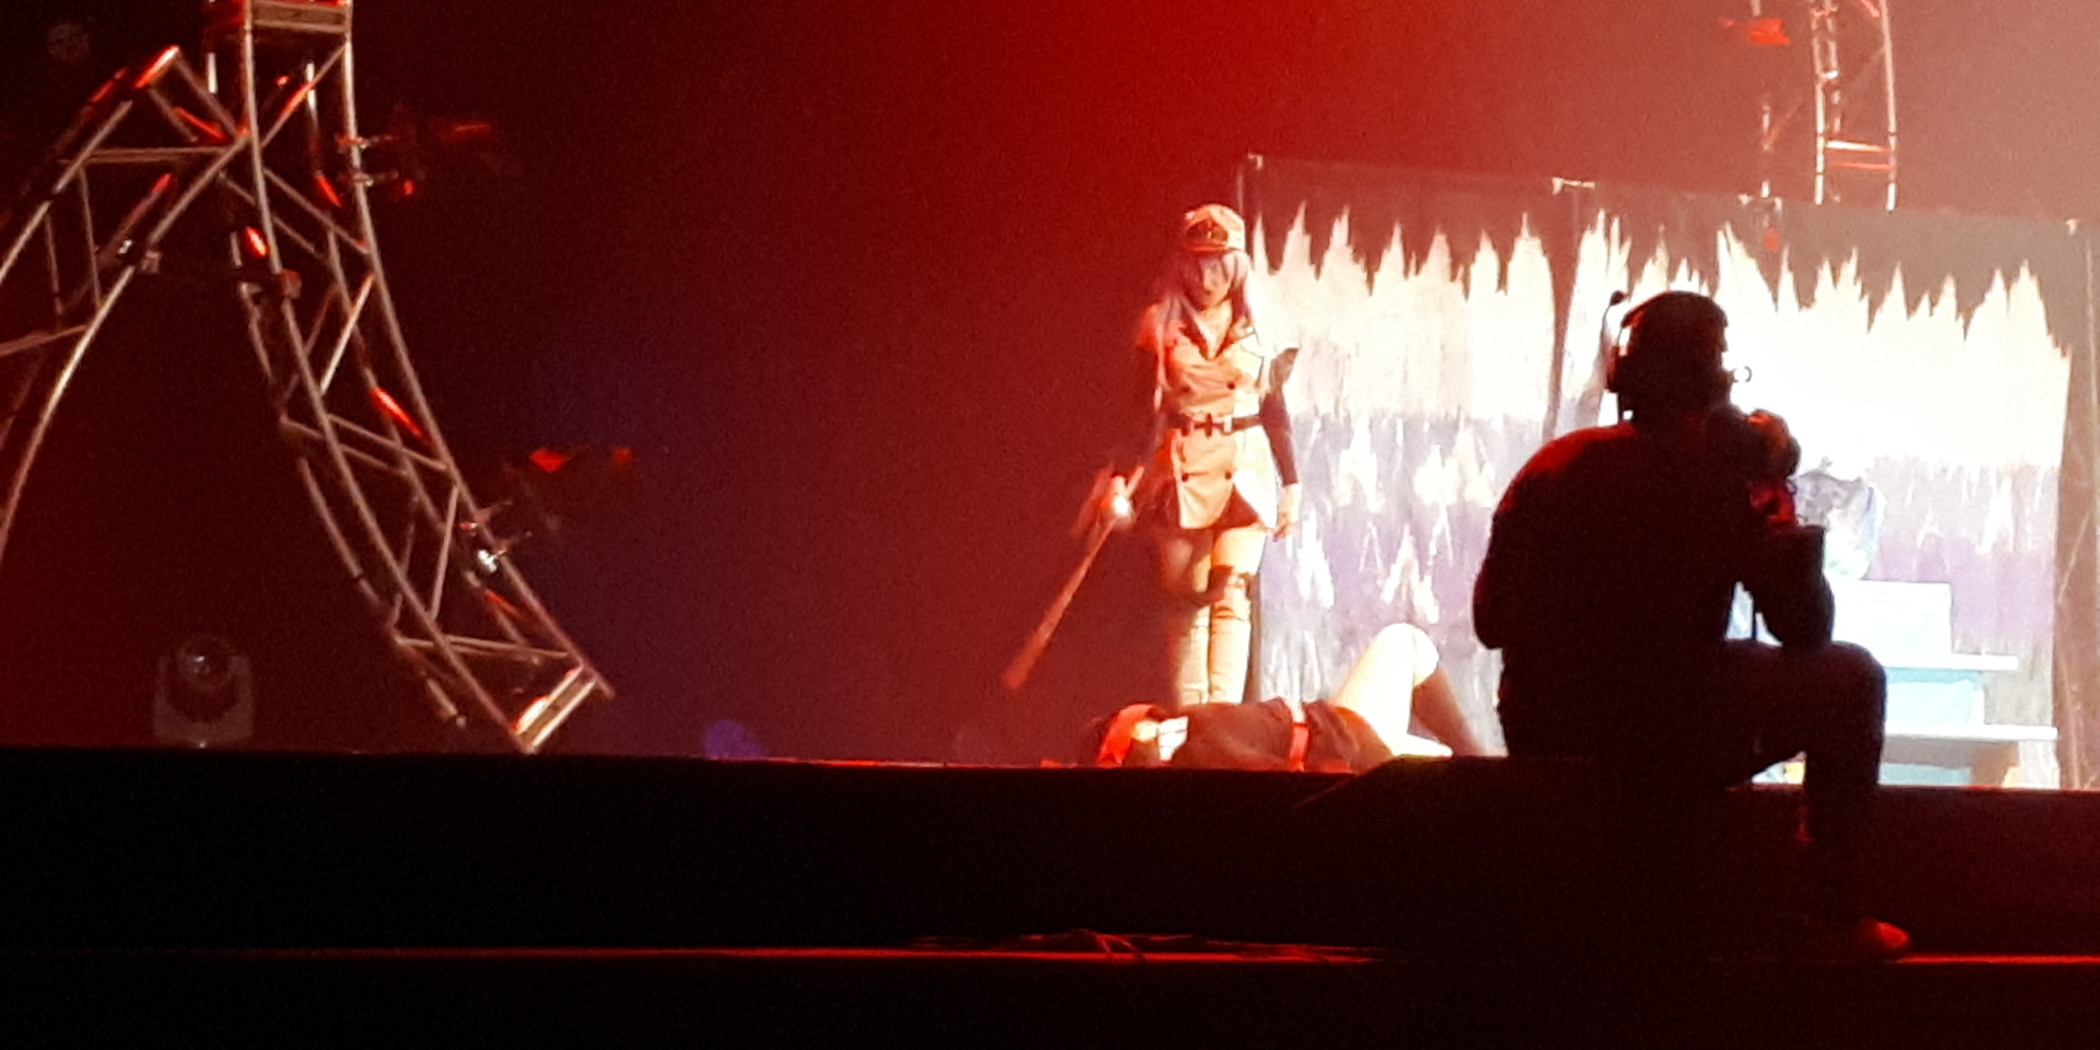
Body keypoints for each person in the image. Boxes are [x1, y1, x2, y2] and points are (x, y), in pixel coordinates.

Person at [1472, 290, 1906, 957]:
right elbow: (1805, 629)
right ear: (1715, 382)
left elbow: (1489, 622)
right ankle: (1827, 914)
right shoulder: (1713, 479)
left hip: (1545, 735)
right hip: (1669, 737)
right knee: (1853, 680)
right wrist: (1774, 509)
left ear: (1624, 377)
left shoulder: (1551, 465)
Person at [1102, 204, 1300, 711]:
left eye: (1218, 264)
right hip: (1182, 465)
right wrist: (1120, 476)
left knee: (1233, 591)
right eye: (1197, 263)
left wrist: (1292, 485)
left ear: (1235, 267)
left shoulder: (1261, 329)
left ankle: (1224, 718)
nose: (1207, 277)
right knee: (1187, 601)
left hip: (1244, 465)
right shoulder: (1158, 326)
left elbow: (1274, 409)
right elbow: (1138, 412)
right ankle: (1193, 717)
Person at [1088, 623, 1487, 771]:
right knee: (1405, 642)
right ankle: (1489, 769)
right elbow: (1278, 782)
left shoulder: (1187, 735)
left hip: (1336, 734)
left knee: (1441, 763)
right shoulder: (1197, 746)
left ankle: (1486, 770)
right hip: (1343, 743)